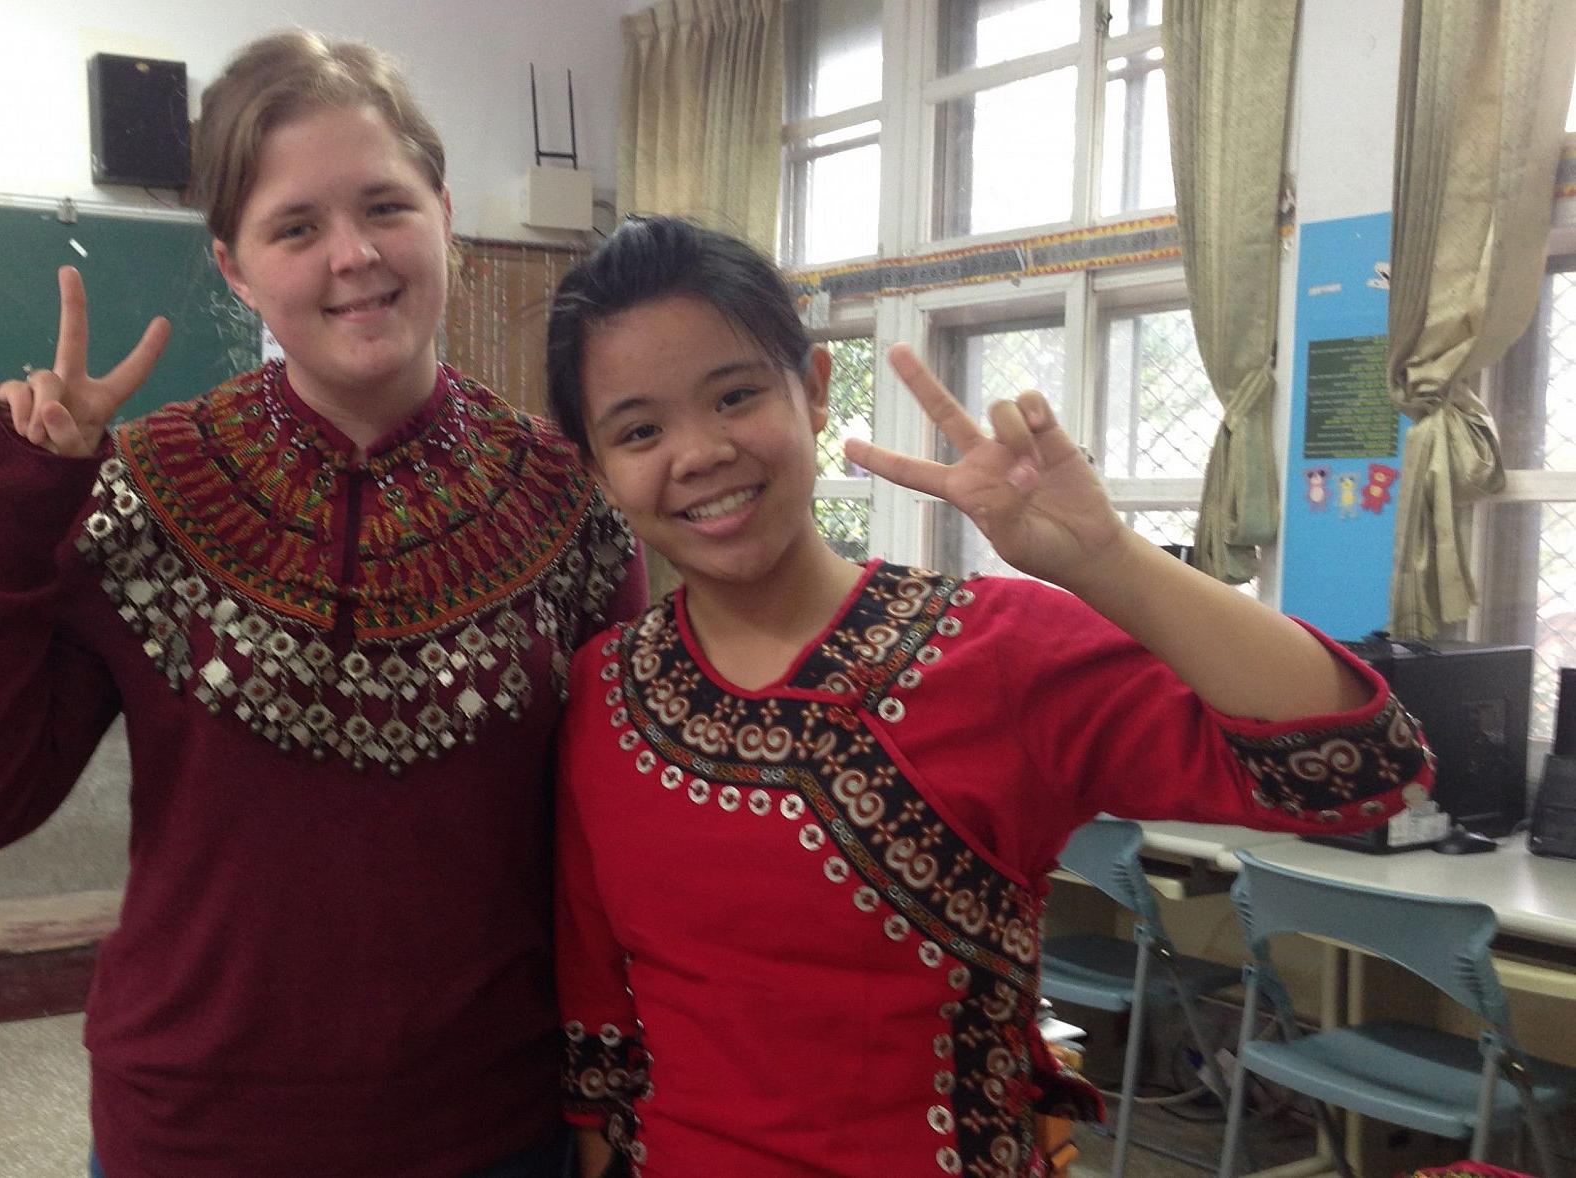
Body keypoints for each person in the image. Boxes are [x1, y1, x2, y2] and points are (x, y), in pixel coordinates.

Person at [540, 216, 1434, 1178]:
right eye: (640, 430)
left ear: (812, 389)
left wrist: (1108, 561)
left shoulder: (994, 651)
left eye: (735, 395)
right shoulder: (605, 689)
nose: (700, 451)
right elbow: (599, 1006)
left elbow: (1362, 768)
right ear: (595, 468)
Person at [0, 31, 643, 1178]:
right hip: (197, 1133)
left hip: (492, 1130)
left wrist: (611, 1094)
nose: (354, 255)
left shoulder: (566, 502)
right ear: (236, 267)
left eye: (386, 205)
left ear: (444, 212)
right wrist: (17, 502)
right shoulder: (138, 491)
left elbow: (613, 846)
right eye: (297, 226)